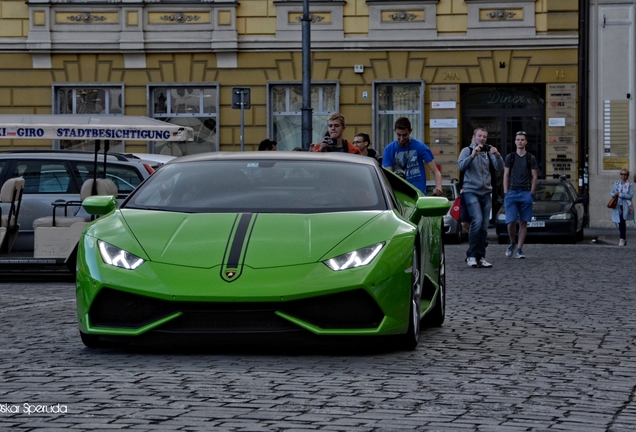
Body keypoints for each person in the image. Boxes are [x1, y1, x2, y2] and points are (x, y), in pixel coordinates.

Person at [457, 128, 504, 268]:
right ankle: (471, 255)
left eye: (484, 137)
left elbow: (499, 167)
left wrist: (497, 155)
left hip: (486, 192)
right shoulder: (466, 150)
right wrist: (473, 154)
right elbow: (460, 166)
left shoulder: (488, 153)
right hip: (471, 191)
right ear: (474, 137)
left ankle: (481, 256)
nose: (482, 139)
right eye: (479, 136)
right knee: (476, 221)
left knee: (484, 226)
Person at [382, 117, 442, 195]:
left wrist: (438, 187)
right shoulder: (389, 149)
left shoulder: (420, 147)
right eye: (398, 135)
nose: (401, 139)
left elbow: (436, 171)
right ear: (394, 130)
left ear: (410, 131)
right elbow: (389, 175)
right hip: (399, 195)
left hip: (418, 195)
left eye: (405, 135)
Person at [502, 131, 538, 259]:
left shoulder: (530, 158)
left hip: (525, 193)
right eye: (518, 140)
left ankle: (519, 249)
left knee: (523, 222)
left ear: (526, 142)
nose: (520, 142)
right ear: (515, 142)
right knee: (510, 222)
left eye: (522, 140)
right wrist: (506, 192)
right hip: (512, 192)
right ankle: (512, 242)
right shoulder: (510, 157)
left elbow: (534, 177)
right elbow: (506, 175)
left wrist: (531, 193)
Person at [611, 169, 634, 246]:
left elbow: (630, 196)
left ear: (627, 176)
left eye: (625, 174)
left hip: (626, 206)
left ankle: (622, 239)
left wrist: (621, 194)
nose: (623, 176)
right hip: (618, 205)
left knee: (622, 221)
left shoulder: (630, 185)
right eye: (622, 174)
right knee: (620, 222)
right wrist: (615, 194)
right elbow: (611, 193)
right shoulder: (617, 184)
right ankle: (623, 238)